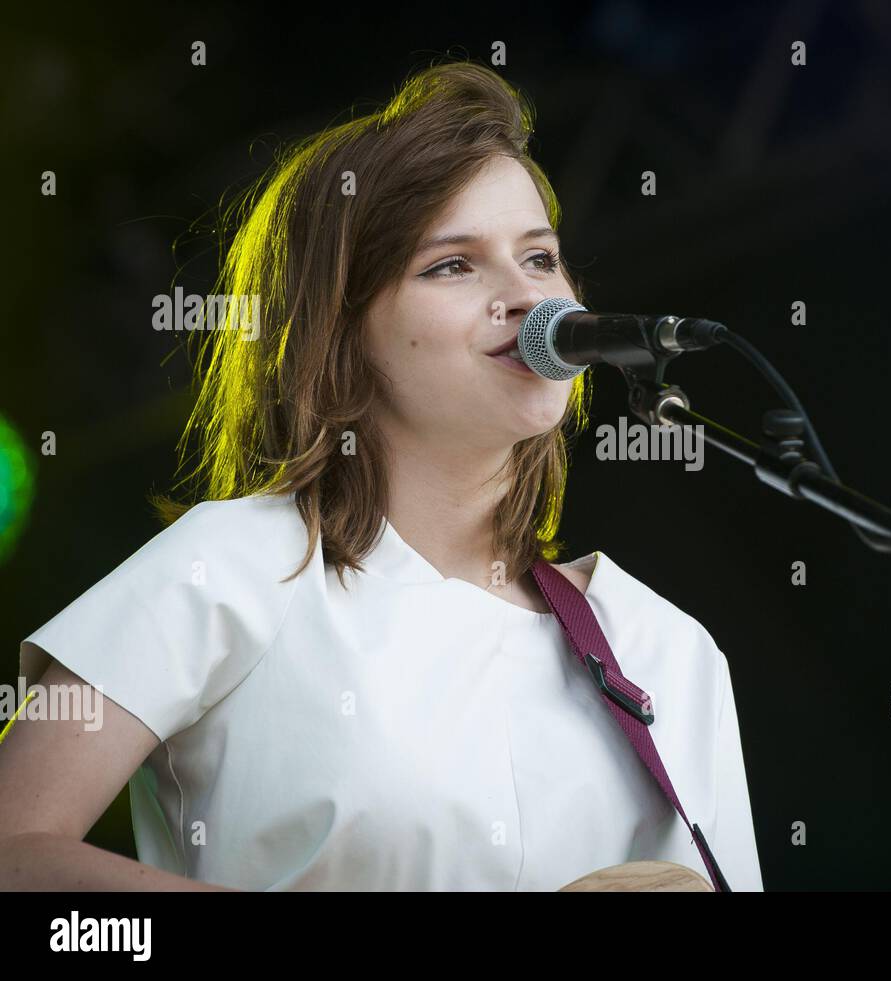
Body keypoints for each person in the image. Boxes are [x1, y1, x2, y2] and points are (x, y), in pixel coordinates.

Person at [0, 60, 763, 891]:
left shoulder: (664, 648)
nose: (527, 297)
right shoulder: (231, 566)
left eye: (540, 258)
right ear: (340, 332)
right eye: (452, 265)